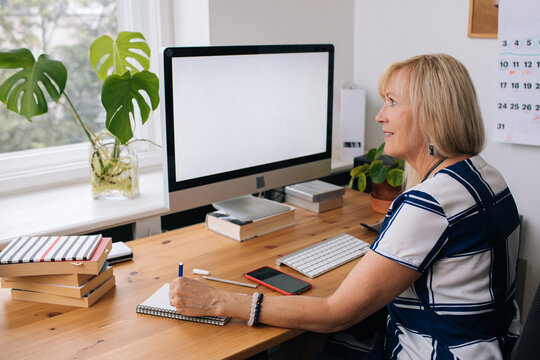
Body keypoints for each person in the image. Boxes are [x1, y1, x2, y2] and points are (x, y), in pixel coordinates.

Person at [169, 54, 521, 359]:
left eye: (393, 103)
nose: (380, 116)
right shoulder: (485, 175)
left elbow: (334, 312)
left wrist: (218, 301)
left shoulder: (430, 205)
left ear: (432, 115)